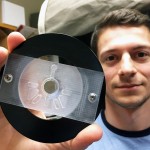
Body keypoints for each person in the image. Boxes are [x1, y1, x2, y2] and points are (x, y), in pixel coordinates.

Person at [0, 8, 149, 150]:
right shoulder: (70, 143)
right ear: (95, 67)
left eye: (141, 54)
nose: (127, 69)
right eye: (111, 57)